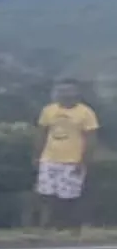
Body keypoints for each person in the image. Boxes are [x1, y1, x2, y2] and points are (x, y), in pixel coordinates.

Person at [33, 78, 99, 233]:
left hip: (72, 161)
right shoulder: (48, 110)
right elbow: (41, 133)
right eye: (61, 91)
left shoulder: (86, 113)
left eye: (69, 90)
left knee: (69, 196)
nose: (65, 94)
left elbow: (91, 138)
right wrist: (37, 156)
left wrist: (84, 161)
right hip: (49, 158)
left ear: (77, 92)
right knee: (46, 193)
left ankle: (69, 226)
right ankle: (47, 225)